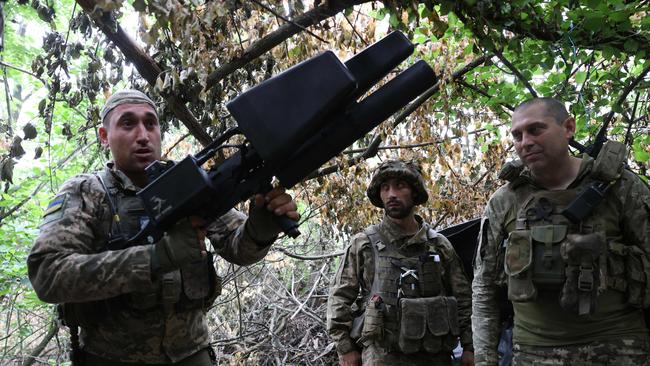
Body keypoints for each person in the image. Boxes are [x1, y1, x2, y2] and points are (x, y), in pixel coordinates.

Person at [27, 90, 300, 365]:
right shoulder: (87, 191)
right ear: (104, 135)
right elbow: (47, 274)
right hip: (112, 357)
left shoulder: (187, 182)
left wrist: (261, 227)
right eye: (128, 123)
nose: (143, 135)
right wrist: (156, 257)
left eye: (150, 123)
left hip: (192, 353)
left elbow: (239, 249)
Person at [472, 97, 650, 365]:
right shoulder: (505, 200)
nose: (525, 142)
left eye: (535, 129)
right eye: (517, 135)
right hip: (534, 351)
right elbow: (484, 287)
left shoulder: (619, 186)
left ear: (568, 127)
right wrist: (485, 360)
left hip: (619, 346)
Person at [327, 159, 474, 366]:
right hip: (382, 356)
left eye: (400, 186)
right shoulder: (364, 244)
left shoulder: (438, 245)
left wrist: (470, 346)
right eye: (385, 188)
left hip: (435, 356)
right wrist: (345, 348)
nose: (391, 194)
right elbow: (339, 297)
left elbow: (464, 299)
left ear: (414, 192)